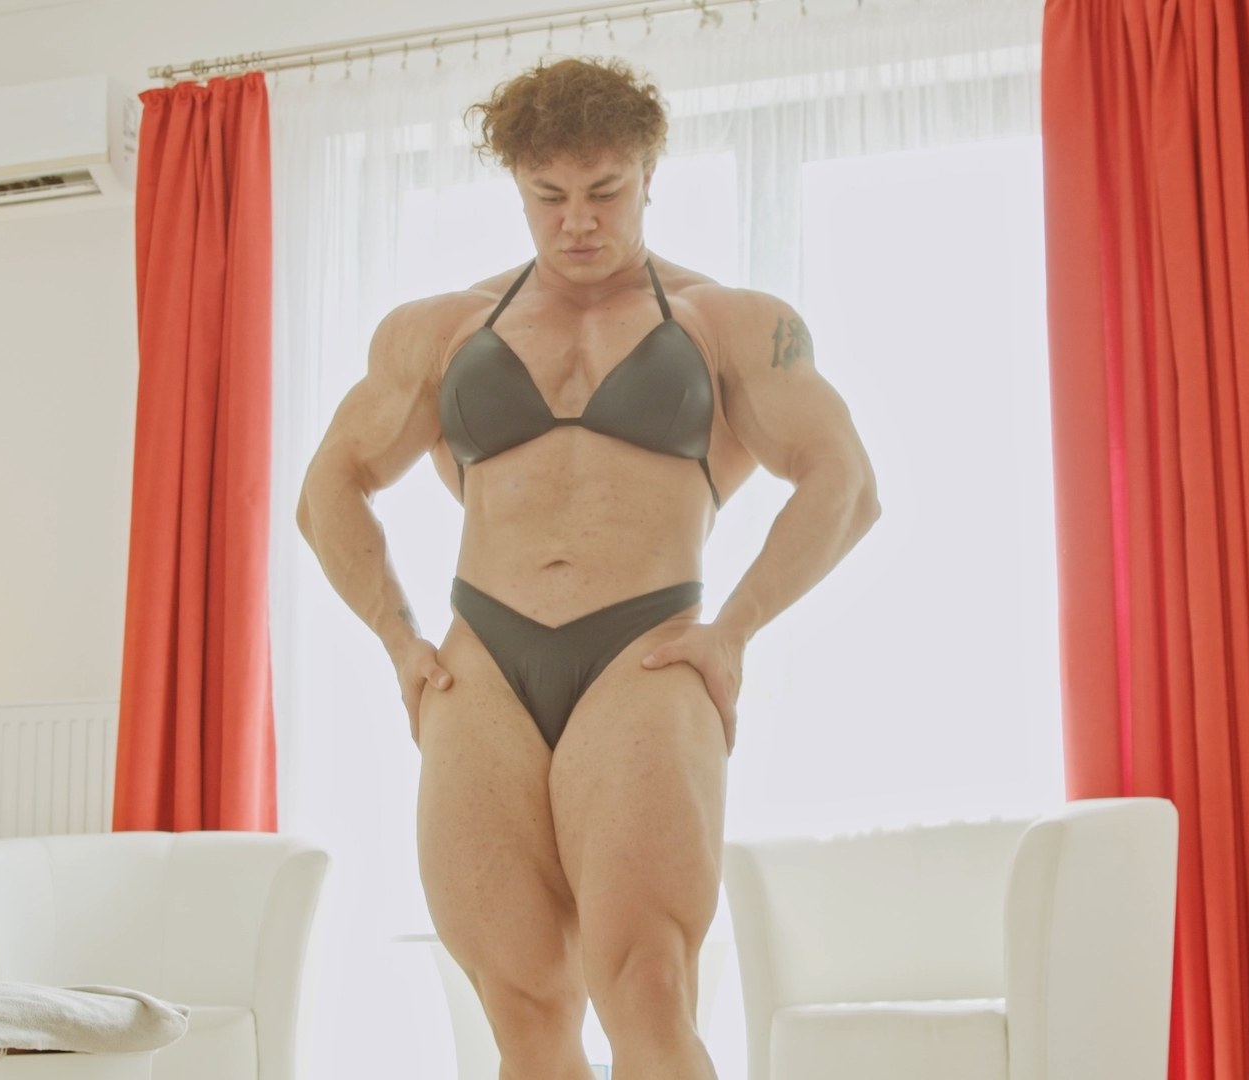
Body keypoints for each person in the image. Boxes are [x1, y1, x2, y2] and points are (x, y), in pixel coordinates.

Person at [296, 55, 880, 1080]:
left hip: (646, 653)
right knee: (523, 1009)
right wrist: (398, 640)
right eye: (549, 196)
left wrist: (734, 630)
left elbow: (846, 482)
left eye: (605, 191)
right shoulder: (444, 330)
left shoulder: (726, 322)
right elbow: (328, 488)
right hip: (482, 663)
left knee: (646, 986)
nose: (577, 221)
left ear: (650, 174)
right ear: (517, 187)